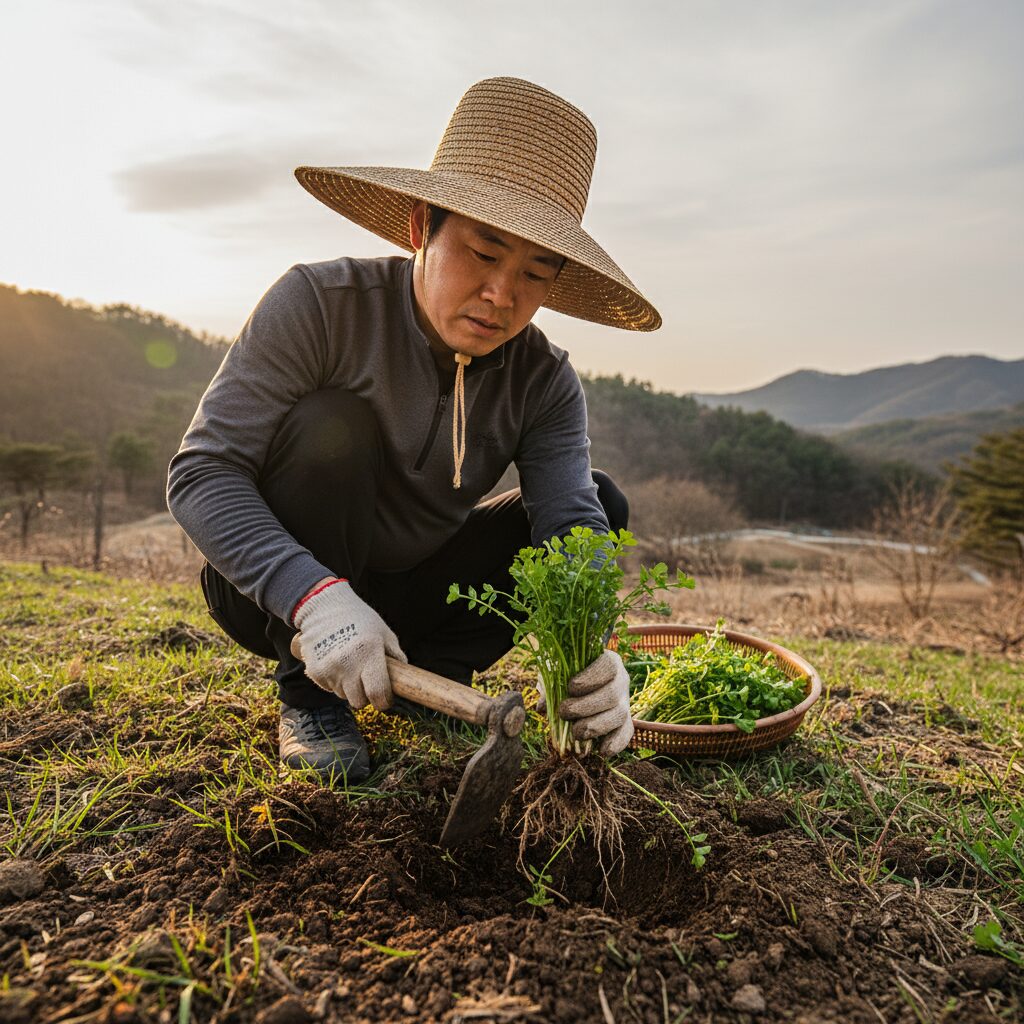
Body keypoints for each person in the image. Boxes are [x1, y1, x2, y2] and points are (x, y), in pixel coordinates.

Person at [166, 76, 662, 785]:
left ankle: (430, 674)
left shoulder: (543, 379)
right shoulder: (319, 304)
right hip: (284, 594)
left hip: (415, 593)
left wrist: (592, 649)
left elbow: (569, 522)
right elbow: (202, 473)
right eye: (485, 254)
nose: (502, 295)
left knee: (598, 503)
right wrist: (317, 597)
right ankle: (309, 698)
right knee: (331, 426)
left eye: (535, 272)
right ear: (418, 226)